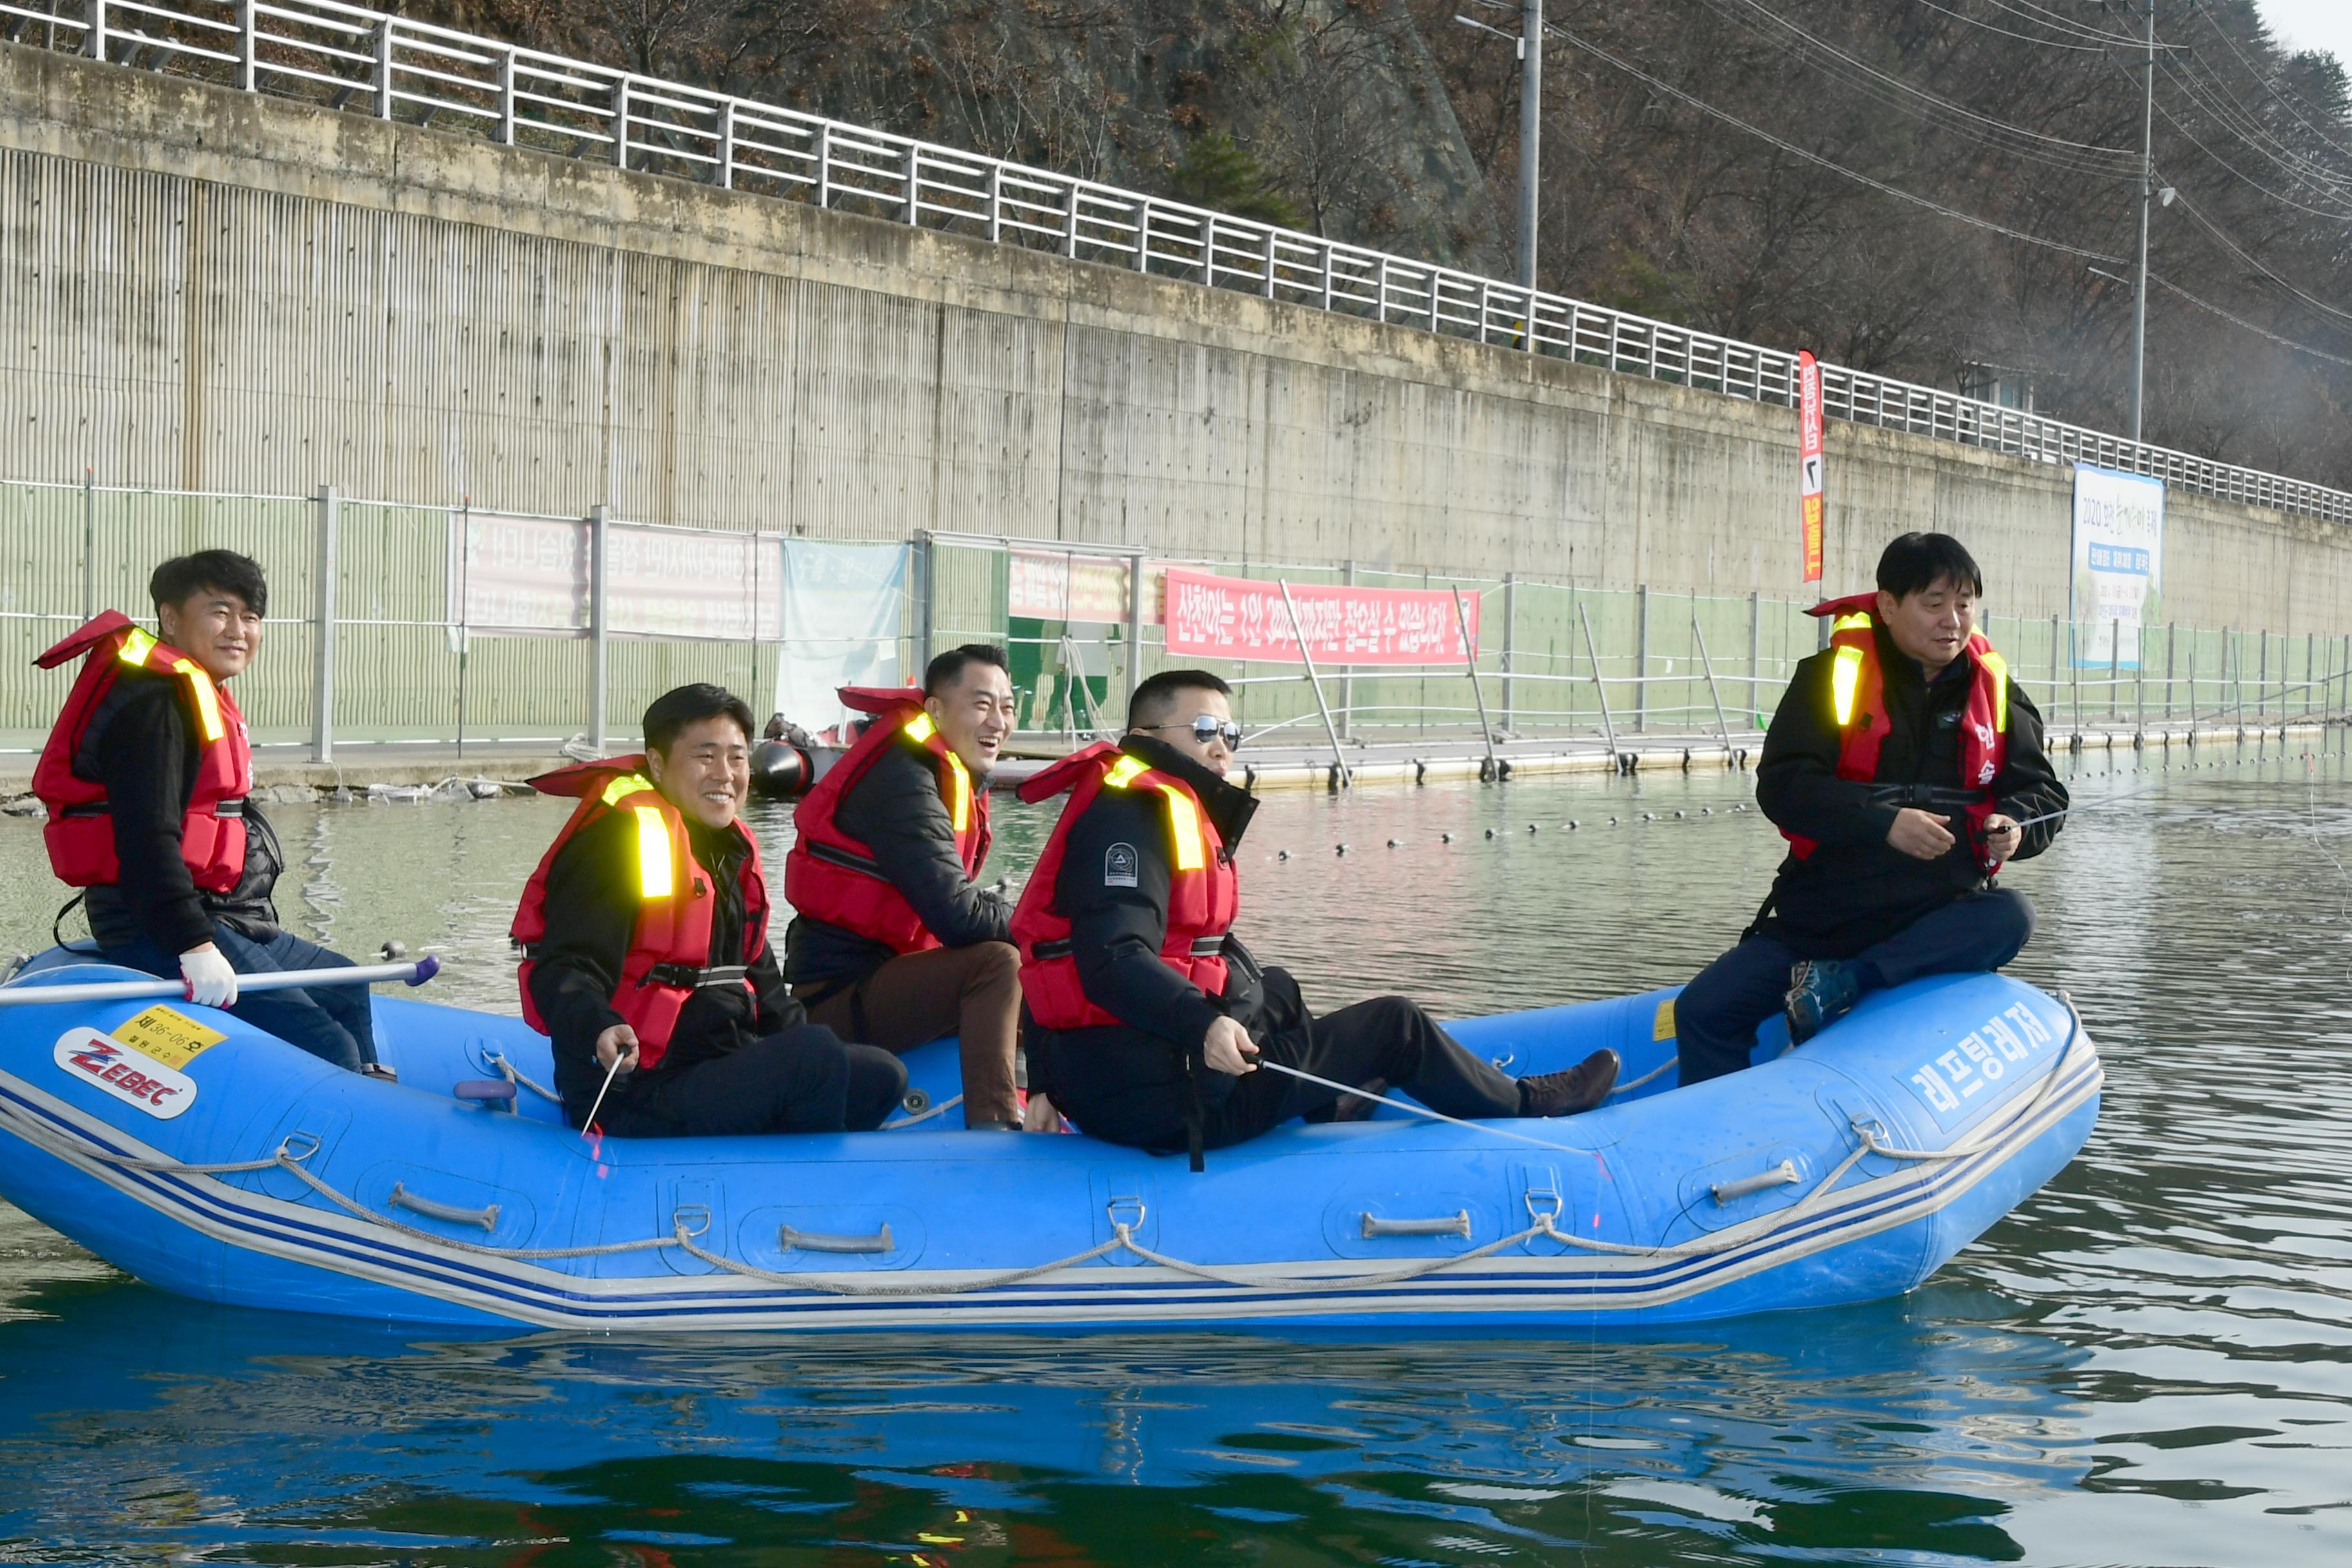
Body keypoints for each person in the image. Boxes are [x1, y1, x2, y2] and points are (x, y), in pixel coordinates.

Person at [1012, 669, 1621, 1167]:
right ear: (1148, 733)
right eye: (1203, 730)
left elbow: (1053, 947)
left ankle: (1329, 1109)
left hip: (1122, 1071)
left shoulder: (1138, 804)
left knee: (1272, 987)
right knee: (1394, 1024)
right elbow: (1110, 957)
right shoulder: (1132, 818)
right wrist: (1202, 1026)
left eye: (1231, 731)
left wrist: (1044, 1079)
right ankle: (1524, 1103)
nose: (1222, 746)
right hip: (1167, 1100)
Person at [1673, 531, 2069, 1084]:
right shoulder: (1829, 677)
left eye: (1964, 605)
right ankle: (1713, 1137)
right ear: (1887, 606)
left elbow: (2045, 796)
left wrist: (2016, 826)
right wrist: (1883, 822)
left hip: (1938, 913)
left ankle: (1850, 981)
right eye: (1934, 604)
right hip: (1826, 914)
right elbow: (1783, 786)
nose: (1952, 621)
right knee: (1702, 1013)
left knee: (2012, 916)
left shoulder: (1998, 692)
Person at [33, 551, 384, 1076]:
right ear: (171, 618)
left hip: (222, 914)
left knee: (345, 982)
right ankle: (338, 1129)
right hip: (152, 922)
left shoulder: (198, 692)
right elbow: (147, 842)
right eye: (219, 612)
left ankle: (374, 1099)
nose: (238, 630)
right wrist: (194, 946)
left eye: (250, 617)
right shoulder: (156, 705)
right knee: (325, 1044)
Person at [513, 683, 905, 1137]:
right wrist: (598, 1026)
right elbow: (565, 966)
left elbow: (764, 982)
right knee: (815, 1058)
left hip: (714, 1063)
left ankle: (781, 1148)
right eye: (705, 756)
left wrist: (813, 1051)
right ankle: (792, 1186)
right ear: (658, 764)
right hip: (637, 1087)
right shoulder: (617, 843)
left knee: (879, 1074)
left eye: (737, 758)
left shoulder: (730, 851)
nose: (725, 774)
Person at [783, 646, 1030, 1130]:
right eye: (982, 704)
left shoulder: (943, 770)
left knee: (1050, 965)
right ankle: (996, 1129)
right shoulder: (902, 777)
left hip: (889, 980)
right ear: (935, 709)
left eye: (1007, 707)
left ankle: (1050, 1102)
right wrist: (1044, 922)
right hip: (840, 998)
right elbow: (957, 916)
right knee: (1000, 963)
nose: (997, 721)